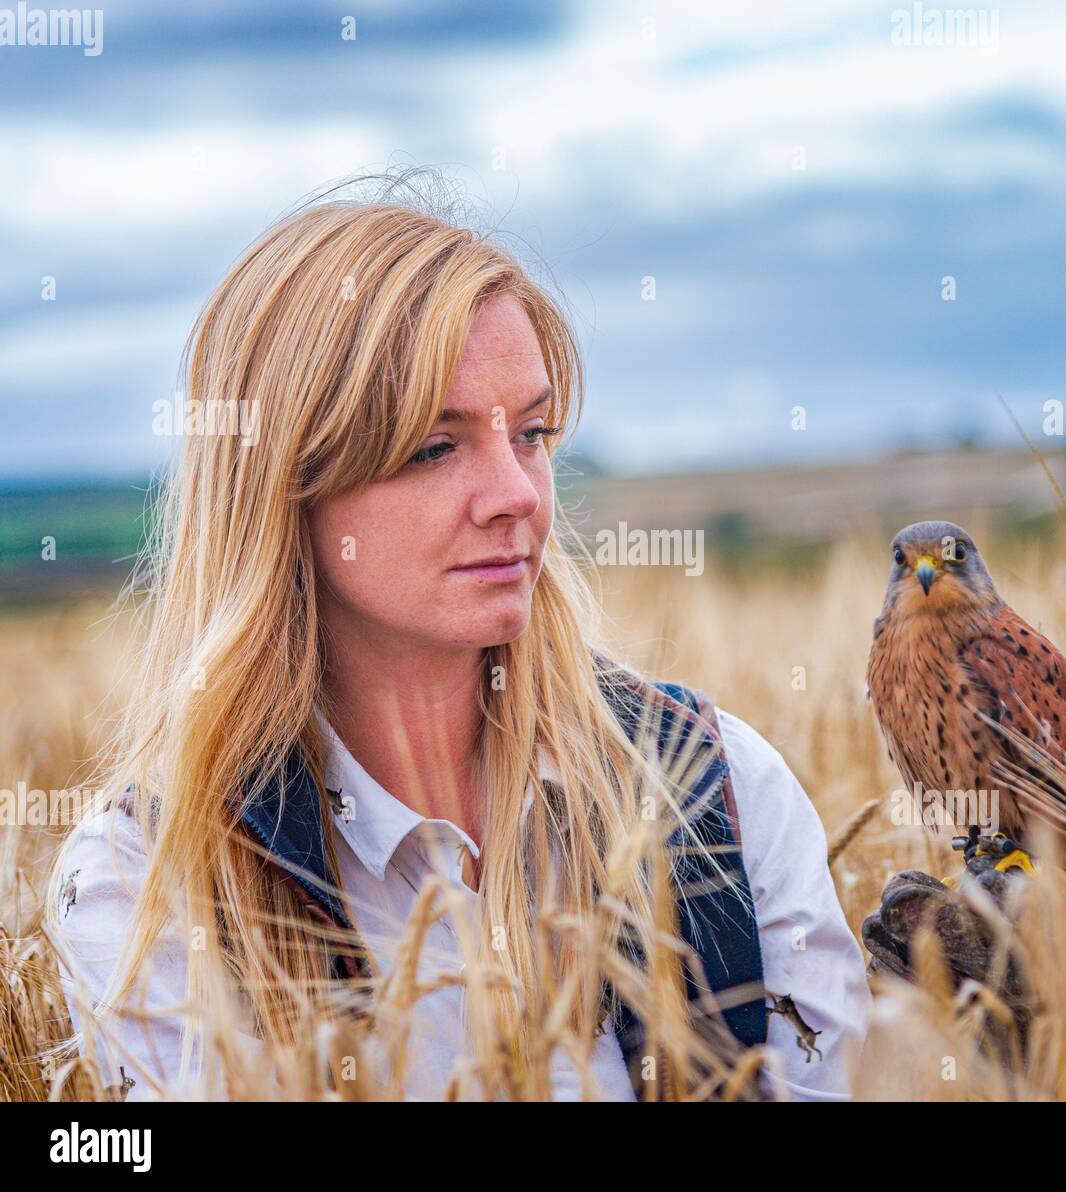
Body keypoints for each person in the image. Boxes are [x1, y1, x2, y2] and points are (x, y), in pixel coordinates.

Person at [45, 179, 870, 1101]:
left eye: (533, 432)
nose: (517, 492)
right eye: (434, 448)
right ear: (284, 489)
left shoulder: (715, 792)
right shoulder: (147, 886)